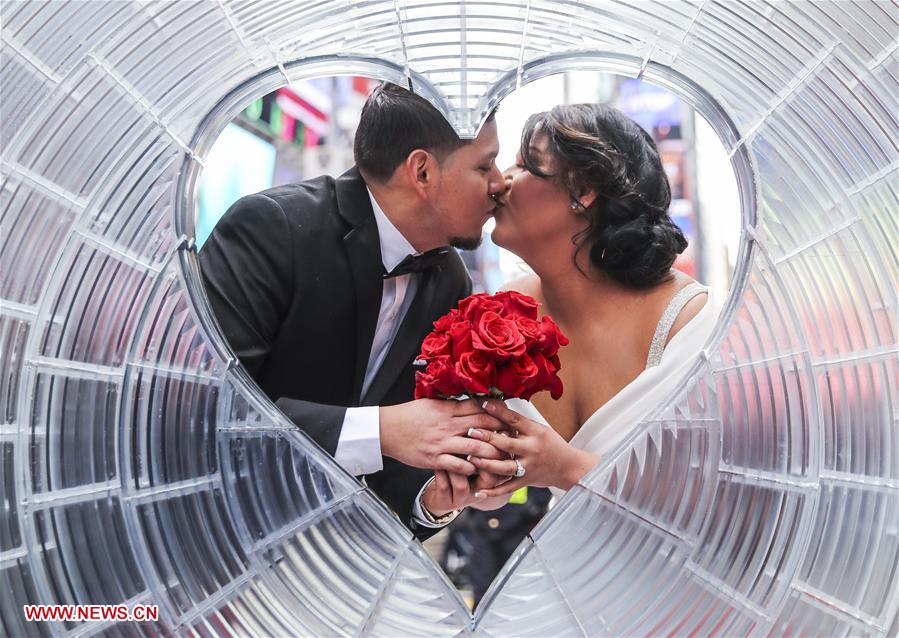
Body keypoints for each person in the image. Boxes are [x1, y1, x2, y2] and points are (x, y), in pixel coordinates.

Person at [199, 83, 509, 539]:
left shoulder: (448, 279)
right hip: (210, 528)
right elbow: (206, 408)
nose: (500, 183)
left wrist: (435, 498)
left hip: (332, 559)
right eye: (485, 165)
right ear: (421, 172)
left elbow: (401, 454)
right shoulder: (273, 228)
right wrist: (379, 430)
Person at [461, 103, 719, 501]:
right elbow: (489, 495)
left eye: (524, 165)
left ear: (582, 192)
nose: (500, 182)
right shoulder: (502, 314)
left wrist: (566, 469)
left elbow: (709, 493)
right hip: (555, 558)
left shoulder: (690, 323)